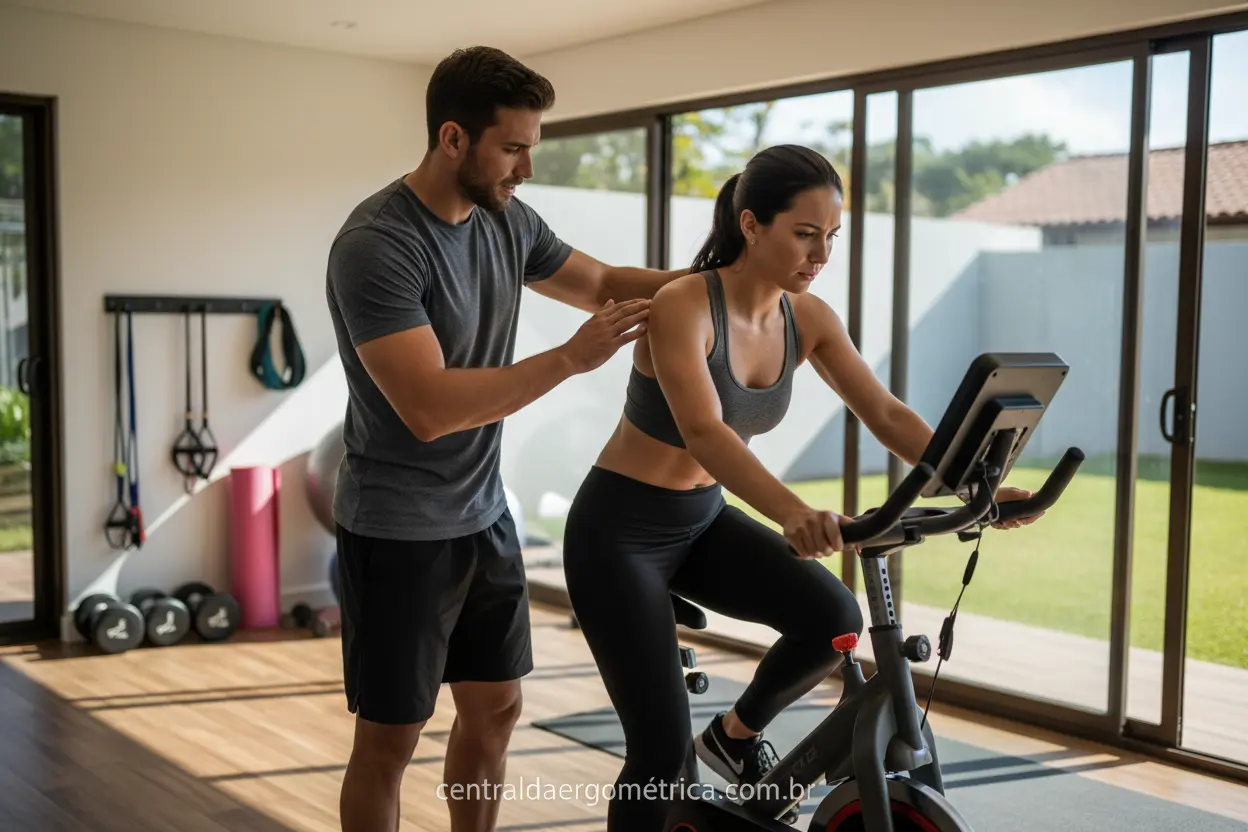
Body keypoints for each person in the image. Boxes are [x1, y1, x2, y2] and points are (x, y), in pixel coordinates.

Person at [561, 144, 1043, 831]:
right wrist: (793, 512)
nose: (820, 255)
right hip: (619, 533)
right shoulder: (684, 306)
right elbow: (705, 433)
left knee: (833, 619)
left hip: (700, 520)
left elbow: (886, 414)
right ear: (751, 224)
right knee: (660, 753)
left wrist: (980, 487)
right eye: (805, 234)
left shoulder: (806, 318)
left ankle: (734, 737)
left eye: (832, 237)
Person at [324, 46, 687, 832]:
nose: (525, 167)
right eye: (513, 147)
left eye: (531, 147)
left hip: (482, 513)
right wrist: (569, 358)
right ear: (454, 139)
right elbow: (428, 408)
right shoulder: (378, 245)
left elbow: (601, 281)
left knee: (496, 709)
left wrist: (722, 284)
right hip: (398, 529)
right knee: (390, 740)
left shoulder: (506, 222)